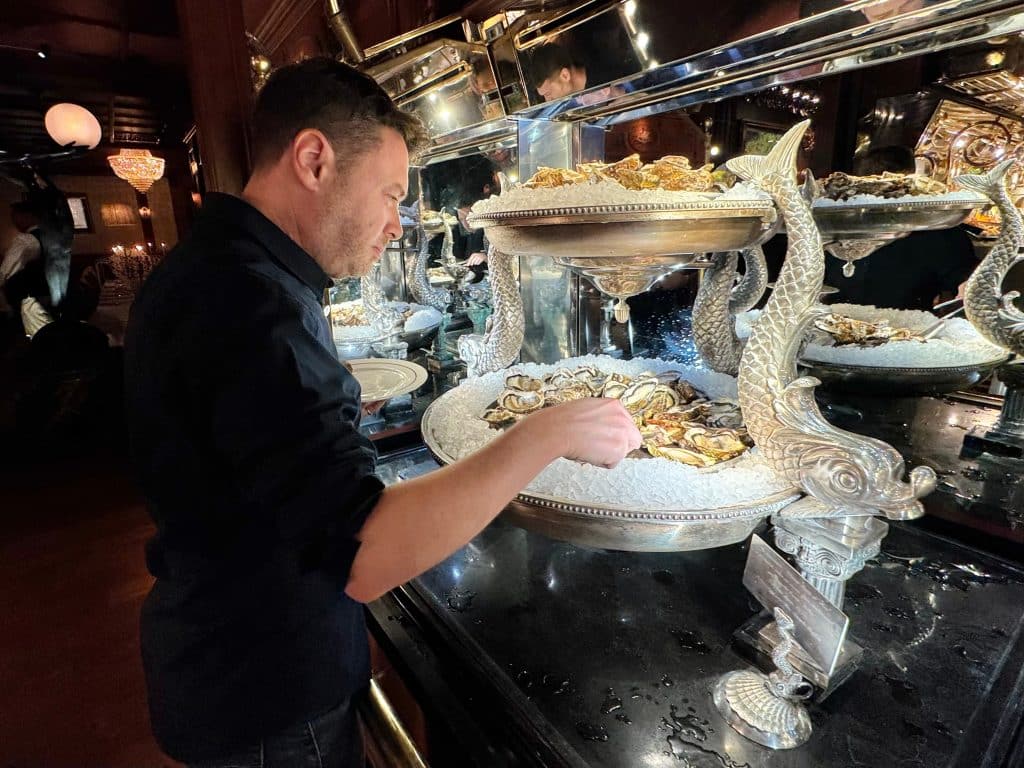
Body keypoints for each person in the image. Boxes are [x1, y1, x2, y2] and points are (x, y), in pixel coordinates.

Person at [124, 57, 641, 768]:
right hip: (265, 690)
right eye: (391, 193)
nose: (397, 223)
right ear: (314, 160)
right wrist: (543, 433)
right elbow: (365, 556)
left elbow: (236, 446)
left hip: (213, 645)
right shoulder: (253, 306)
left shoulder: (212, 267)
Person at [823, 144, 979, 310]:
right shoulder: (940, 229)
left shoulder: (938, 232)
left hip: (905, 328)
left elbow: (966, 278)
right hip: (839, 324)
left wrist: (968, 285)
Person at [0, 201, 42, 319]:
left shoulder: (25, 240)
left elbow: (5, 273)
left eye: (15, 217)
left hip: (28, 302)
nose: (14, 221)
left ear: (28, 216)